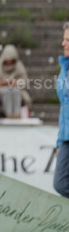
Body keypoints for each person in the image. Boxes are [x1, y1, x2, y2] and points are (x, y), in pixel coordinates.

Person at [0, 44, 31, 118]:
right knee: (6, 91)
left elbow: (24, 79)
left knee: (15, 90)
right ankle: (9, 114)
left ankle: (16, 113)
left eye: (11, 60)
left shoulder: (19, 66)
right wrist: (0, 83)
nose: (9, 62)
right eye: (7, 60)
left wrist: (16, 83)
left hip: (15, 90)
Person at [53, 23, 69, 198]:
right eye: (64, 39)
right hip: (66, 137)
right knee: (60, 184)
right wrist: (59, 142)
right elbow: (64, 107)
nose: (63, 43)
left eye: (68, 40)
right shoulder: (65, 68)